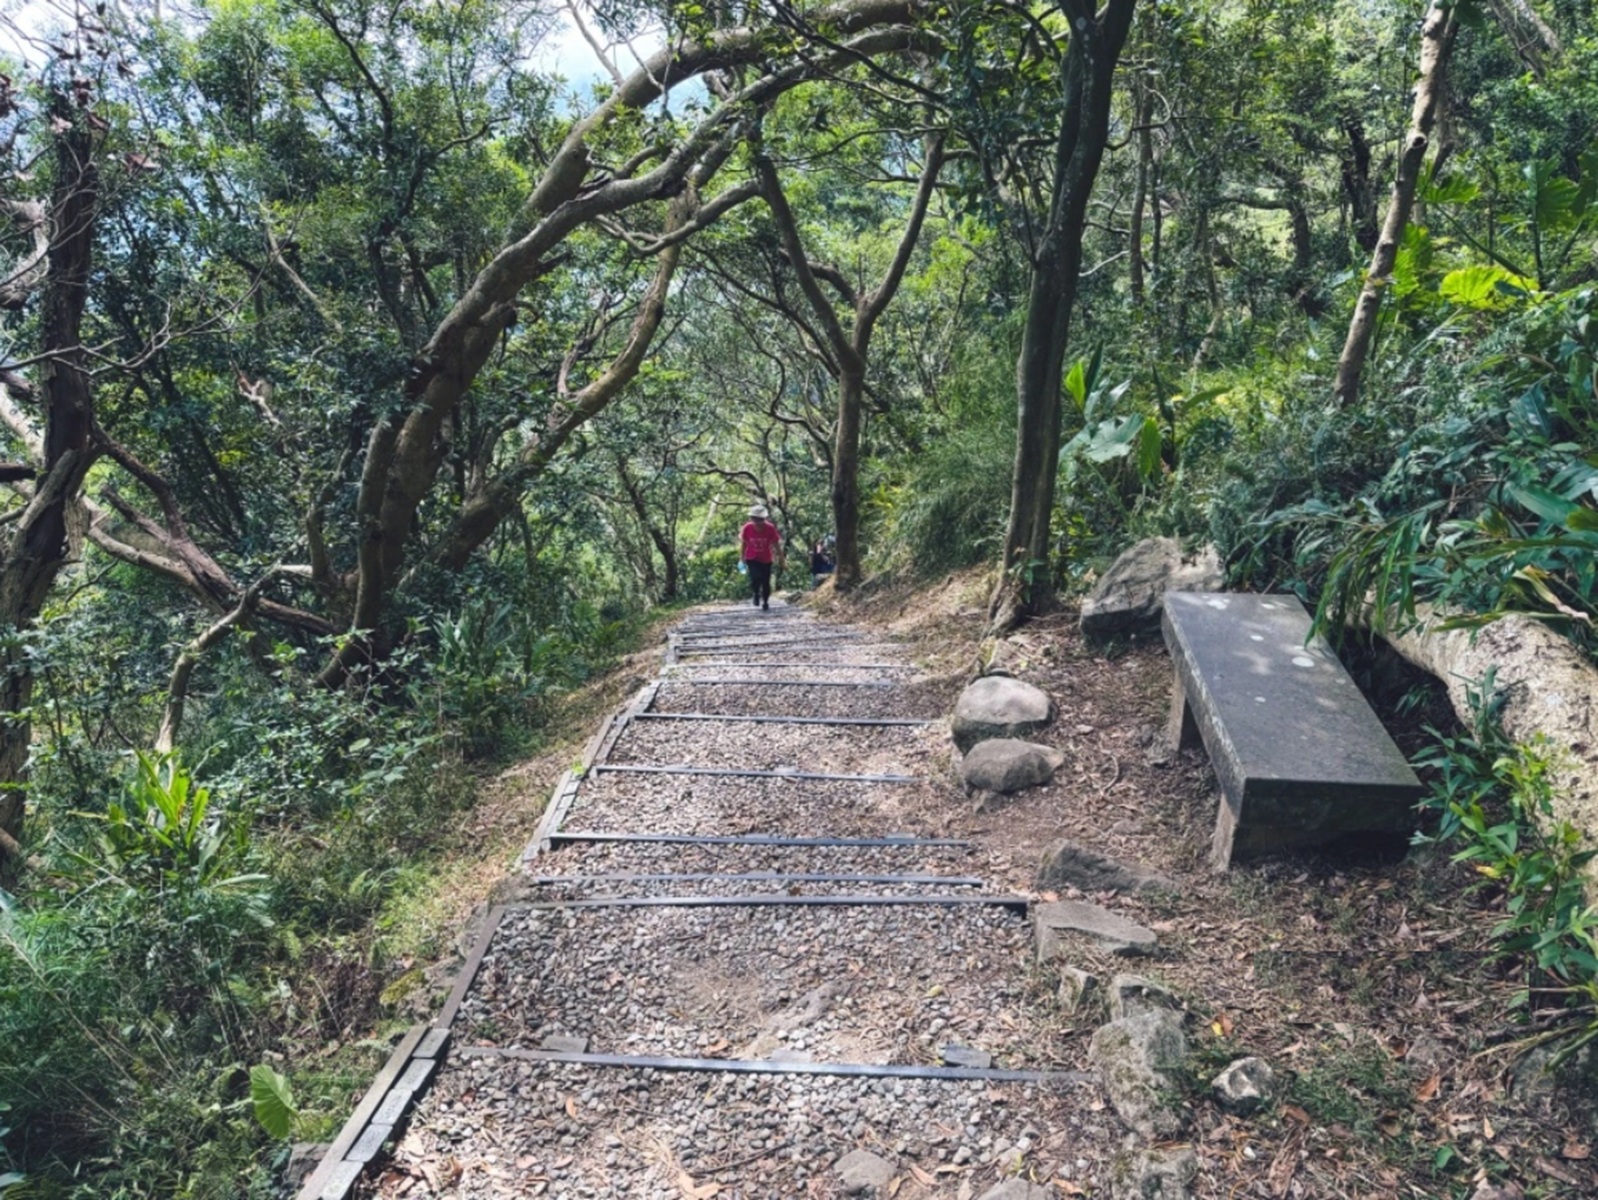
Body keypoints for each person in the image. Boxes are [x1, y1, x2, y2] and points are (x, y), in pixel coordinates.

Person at [738, 504, 784, 610]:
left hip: (766, 558)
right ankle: (756, 593)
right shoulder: (747, 528)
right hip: (752, 557)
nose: (757, 522)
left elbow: (776, 544)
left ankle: (766, 601)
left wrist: (782, 559)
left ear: (764, 519)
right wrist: (742, 557)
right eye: (755, 519)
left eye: (760, 519)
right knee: (755, 577)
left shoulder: (770, 528)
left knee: (765, 581)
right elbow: (744, 543)